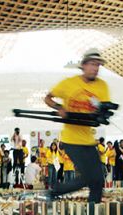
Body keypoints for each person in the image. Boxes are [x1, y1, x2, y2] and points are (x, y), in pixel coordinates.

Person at [42, 49, 109, 202]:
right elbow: (47, 98)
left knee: (98, 180)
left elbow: (103, 109)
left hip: (88, 141)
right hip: (71, 140)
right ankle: (54, 192)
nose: (95, 68)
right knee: (88, 177)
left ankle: (94, 213)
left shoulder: (102, 86)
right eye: (92, 64)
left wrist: (103, 114)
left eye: (98, 65)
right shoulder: (69, 83)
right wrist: (59, 108)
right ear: (83, 66)